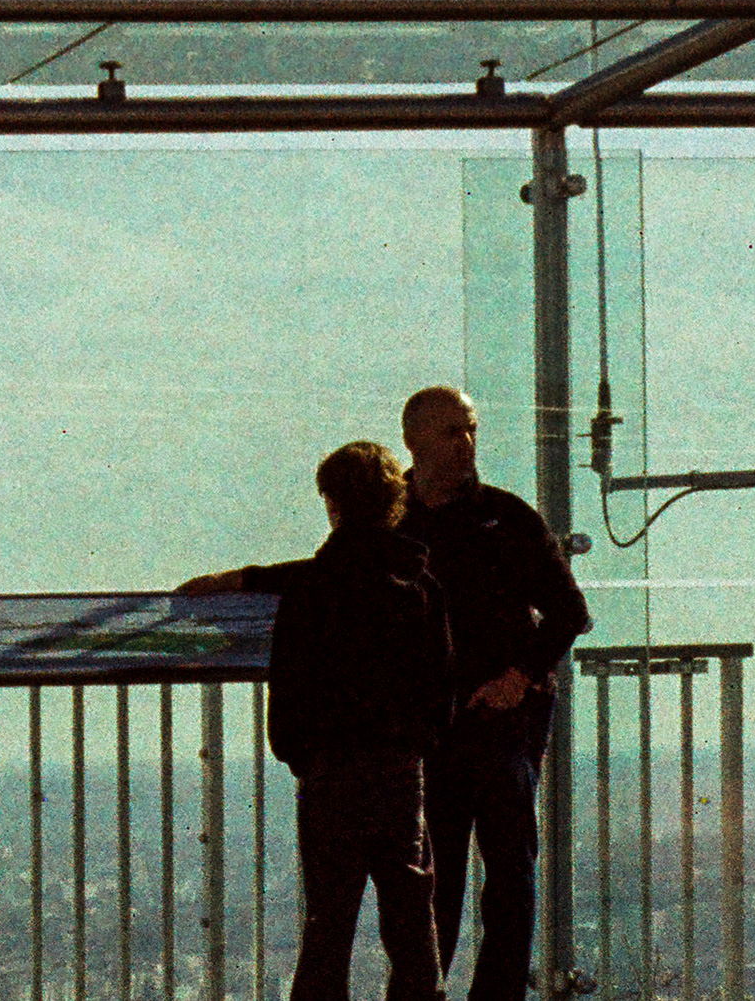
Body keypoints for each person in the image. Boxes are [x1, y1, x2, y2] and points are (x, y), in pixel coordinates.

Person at [185, 387, 592, 1001]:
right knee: (440, 876)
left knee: (508, 867)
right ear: (415, 442)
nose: (467, 444)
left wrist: (520, 677)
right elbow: (338, 569)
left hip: (502, 721)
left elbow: (569, 611)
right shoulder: (398, 520)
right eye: (452, 432)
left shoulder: (509, 517)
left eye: (471, 429)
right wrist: (241, 581)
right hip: (438, 730)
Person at [260, 440, 452, 1001]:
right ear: (394, 501)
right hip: (399, 768)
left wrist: (299, 753)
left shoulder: (311, 588)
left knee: (329, 926)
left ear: (332, 502)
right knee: (412, 924)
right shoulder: (419, 586)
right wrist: (419, 744)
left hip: (330, 771)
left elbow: (289, 686)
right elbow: (439, 687)